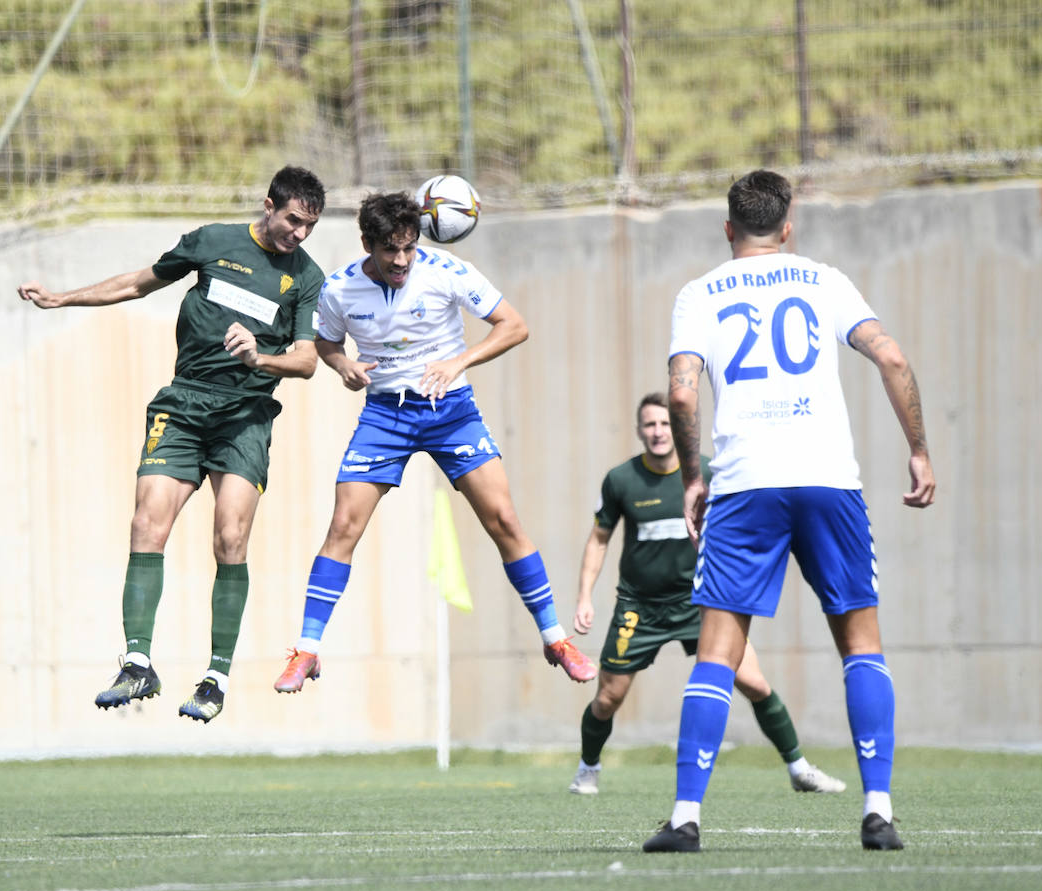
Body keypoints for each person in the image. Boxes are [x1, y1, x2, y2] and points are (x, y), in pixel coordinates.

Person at [642, 169, 935, 854]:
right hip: (829, 480)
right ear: (789, 223)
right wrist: (918, 449)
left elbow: (682, 397)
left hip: (746, 486)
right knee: (860, 644)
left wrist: (691, 476)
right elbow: (890, 356)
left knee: (716, 654)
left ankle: (686, 817)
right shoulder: (824, 280)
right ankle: (879, 811)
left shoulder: (699, 294)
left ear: (728, 228)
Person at [16, 165, 327, 724]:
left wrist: (260, 358)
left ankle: (215, 677)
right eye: (293, 220)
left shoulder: (306, 276)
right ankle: (137, 663)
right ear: (269, 205)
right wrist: (63, 298)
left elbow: (306, 360)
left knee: (230, 534)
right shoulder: (212, 242)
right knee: (145, 523)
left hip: (245, 417)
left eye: (310, 226)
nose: (299, 234)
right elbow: (140, 281)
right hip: (183, 405)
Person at [271, 190, 597, 693]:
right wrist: (344, 366)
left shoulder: (447, 270)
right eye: (390, 251)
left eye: (408, 248)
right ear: (367, 244)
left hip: (452, 413)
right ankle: (307, 651)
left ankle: (555, 639)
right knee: (342, 526)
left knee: (505, 519)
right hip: (384, 416)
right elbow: (328, 344)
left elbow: (515, 325)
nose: (401, 261)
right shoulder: (338, 290)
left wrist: (457, 362)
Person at [568, 392, 845, 797]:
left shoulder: (711, 474)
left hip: (702, 601)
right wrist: (584, 597)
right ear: (639, 430)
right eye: (650, 424)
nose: (659, 432)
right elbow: (598, 539)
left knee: (754, 683)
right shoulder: (621, 480)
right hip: (639, 607)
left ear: (678, 428)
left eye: (665, 423)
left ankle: (799, 768)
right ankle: (587, 768)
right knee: (608, 698)